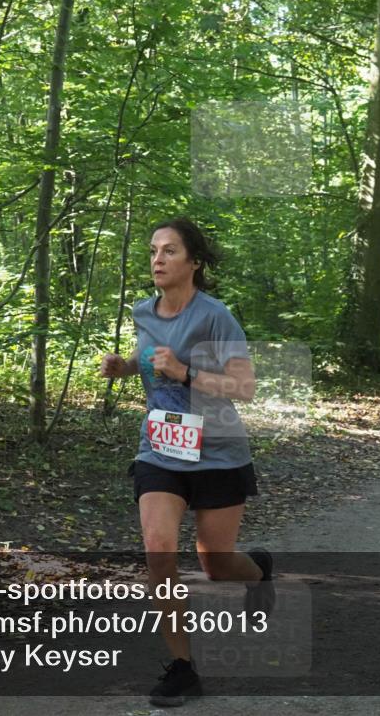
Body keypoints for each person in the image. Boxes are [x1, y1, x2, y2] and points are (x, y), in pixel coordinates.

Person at [100, 218, 272, 707]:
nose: (157, 259)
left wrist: (185, 371)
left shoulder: (216, 316)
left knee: (216, 563)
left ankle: (257, 573)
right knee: (158, 548)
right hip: (160, 448)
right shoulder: (142, 312)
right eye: (153, 250)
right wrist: (127, 366)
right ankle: (182, 666)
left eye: (169, 251)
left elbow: (246, 387)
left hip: (217, 451)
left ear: (193, 262)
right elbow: (149, 355)